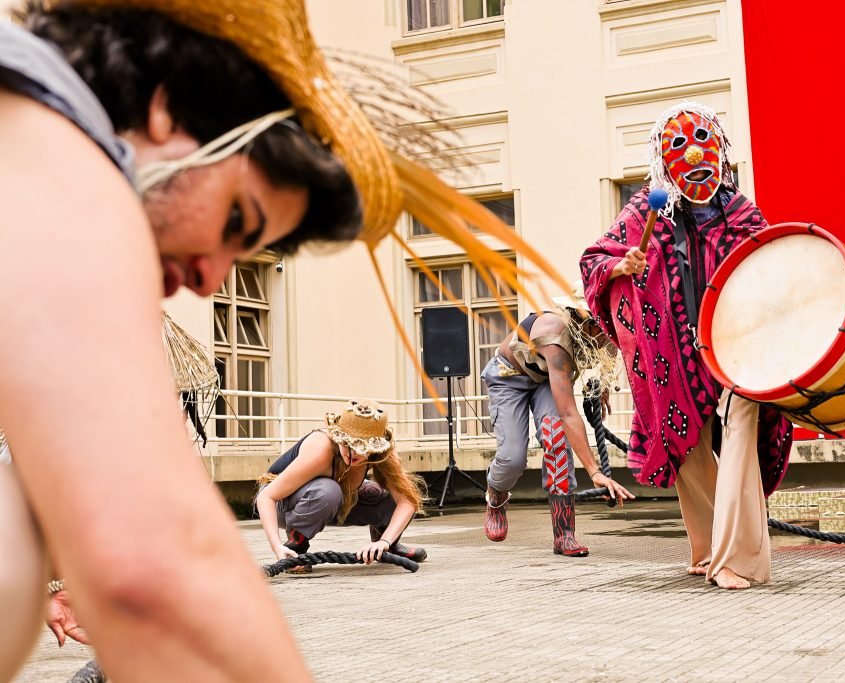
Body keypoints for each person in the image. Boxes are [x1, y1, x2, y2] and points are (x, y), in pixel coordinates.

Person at [0, 1, 558, 679]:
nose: (208, 279)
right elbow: (158, 558)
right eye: (237, 216)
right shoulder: (69, 172)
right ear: (168, 108)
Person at [580, 101, 792, 589]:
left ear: (721, 147)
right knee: (691, 452)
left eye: (703, 139)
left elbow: (772, 270)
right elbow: (594, 260)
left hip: (738, 348)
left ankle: (739, 560)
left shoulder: (741, 212)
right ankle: (705, 549)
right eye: (678, 144)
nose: (695, 152)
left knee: (741, 442)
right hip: (673, 355)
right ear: (662, 158)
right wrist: (621, 269)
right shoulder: (643, 213)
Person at [482, 282, 635, 556]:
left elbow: (604, 358)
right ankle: (496, 494)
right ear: (582, 318)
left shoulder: (598, 334)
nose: (606, 330)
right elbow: (568, 413)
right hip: (509, 377)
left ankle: (564, 535)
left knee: (556, 441)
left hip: (543, 380)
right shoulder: (554, 335)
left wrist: (600, 389)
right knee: (512, 457)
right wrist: (595, 472)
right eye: (600, 322)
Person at [256, 400, 427, 570]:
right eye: (346, 444)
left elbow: (407, 501)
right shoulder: (321, 448)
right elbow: (267, 497)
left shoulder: (384, 451)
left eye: (361, 447)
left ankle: (387, 548)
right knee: (328, 490)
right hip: (284, 503)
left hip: (338, 499)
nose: (352, 453)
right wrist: (277, 547)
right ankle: (295, 547)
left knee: (393, 493)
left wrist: (385, 541)